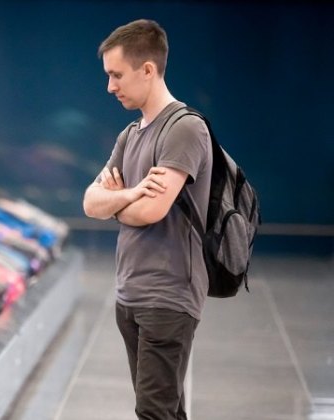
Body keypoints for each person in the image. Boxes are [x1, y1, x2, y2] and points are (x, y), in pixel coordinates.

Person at [82, 19, 213, 420]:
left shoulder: (185, 129)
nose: (110, 86)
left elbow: (152, 211)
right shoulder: (130, 134)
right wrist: (131, 194)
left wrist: (117, 201)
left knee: (154, 412)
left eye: (116, 75)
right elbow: (89, 202)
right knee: (167, 412)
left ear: (148, 70)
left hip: (168, 296)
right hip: (131, 293)